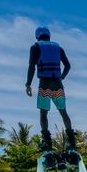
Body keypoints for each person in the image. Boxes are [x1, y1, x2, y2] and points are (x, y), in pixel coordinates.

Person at [25, 25, 76, 155]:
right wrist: (62, 77)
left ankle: (47, 141)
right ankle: (71, 140)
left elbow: (32, 67)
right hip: (58, 84)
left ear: (37, 36)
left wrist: (28, 84)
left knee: (43, 113)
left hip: (44, 84)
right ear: (49, 36)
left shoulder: (35, 47)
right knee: (63, 112)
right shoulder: (58, 48)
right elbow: (68, 66)